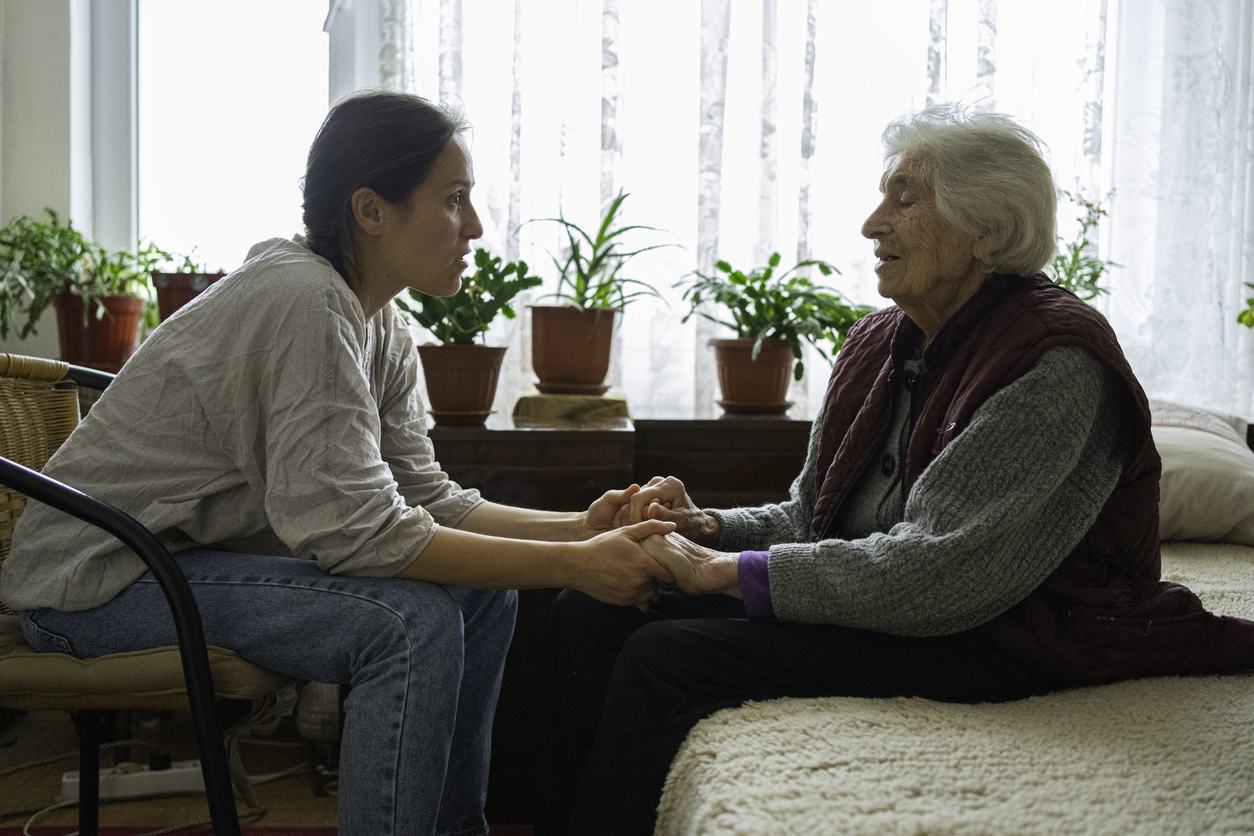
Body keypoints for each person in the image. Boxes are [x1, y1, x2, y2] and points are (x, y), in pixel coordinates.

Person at [536, 105, 1254, 836]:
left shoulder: (1054, 363)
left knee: (666, 657)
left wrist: (719, 571)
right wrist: (704, 529)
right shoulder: (881, 341)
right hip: (906, 606)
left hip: (1008, 635)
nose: (872, 224)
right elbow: (812, 518)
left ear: (990, 231)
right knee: (594, 607)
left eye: (904, 200)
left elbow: (942, 575)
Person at [0, 90, 680, 836]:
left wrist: (579, 530)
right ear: (370, 209)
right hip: (96, 586)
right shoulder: (303, 303)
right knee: (406, 621)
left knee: (486, 594)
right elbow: (361, 538)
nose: (476, 226)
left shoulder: (374, 319)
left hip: (174, 563)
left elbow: (426, 498)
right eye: (454, 199)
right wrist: (573, 567)